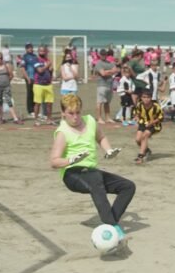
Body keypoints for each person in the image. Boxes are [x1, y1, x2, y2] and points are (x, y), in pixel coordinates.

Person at [49, 94, 133, 249]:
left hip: (92, 172)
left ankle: (108, 225)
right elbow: (54, 161)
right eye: (71, 113)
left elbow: (101, 137)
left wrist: (108, 150)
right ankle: (114, 229)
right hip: (72, 174)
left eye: (78, 112)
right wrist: (72, 160)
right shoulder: (62, 132)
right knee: (95, 180)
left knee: (128, 186)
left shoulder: (90, 121)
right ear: (63, 113)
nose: (75, 117)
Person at [0, 52, 22, 125]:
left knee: (9, 101)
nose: (0, 60)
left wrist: (7, 82)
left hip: (6, 86)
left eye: (1, 58)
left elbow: (11, 75)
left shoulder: (6, 66)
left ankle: (15, 118)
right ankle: (0, 118)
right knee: (0, 102)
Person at [133, 91, 164, 164]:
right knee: (137, 140)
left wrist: (152, 123)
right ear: (141, 98)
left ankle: (140, 156)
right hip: (142, 124)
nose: (146, 99)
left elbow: (161, 117)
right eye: (144, 97)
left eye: (148, 97)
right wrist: (137, 118)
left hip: (154, 125)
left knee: (144, 136)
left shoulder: (156, 106)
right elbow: (136, 113)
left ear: (151, 98)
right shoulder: (139, 105)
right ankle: (146, 150)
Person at [93, 48, 118, 124]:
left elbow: (115, 70)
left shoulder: (110, 63)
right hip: (102, 85)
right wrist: (110, 71)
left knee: (107, 102)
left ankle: (107, 117)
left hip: (109, 84)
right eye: (102, 54)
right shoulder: (99, 63)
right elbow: (103, 74)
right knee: (100, 102)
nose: (104, 56)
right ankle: (99, 118)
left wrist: (107, 71)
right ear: (100, 55)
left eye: (105, 54)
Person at [32, 45, 55, 125]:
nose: (42, 52)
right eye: (40, 51)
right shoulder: (36, 60)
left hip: (48, 84)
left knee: (49, 103)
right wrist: (47, 65)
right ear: (38, 51)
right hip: (38, 84)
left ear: (46, 52)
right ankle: (36, 120)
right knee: (37, 103)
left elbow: (50, 72)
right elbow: (40, 70)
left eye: (43, 51)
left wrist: (51, 70)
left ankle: (49, 119)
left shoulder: (47, 60)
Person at [20, 43, 38, 117]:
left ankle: (35, 109)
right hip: (29, 78)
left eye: (31, 47)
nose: (30, 49)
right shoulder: (25, 57)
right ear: (26, 49)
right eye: (29, 48)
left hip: (36, 78)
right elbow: (22, 68)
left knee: (36, 94)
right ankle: (30, 111)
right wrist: (27, 78)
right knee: (30, 94)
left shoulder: (35, 56)